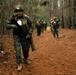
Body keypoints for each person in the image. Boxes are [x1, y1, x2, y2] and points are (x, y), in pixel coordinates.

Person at [6, 5, 34, 71]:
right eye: (17, 12)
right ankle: (19, 64)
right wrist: (11, 26)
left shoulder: (26, 18)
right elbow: (6, 25)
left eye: (20, 11)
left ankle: (25, 58)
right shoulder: (12, 18)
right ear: (15, 12)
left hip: (25, 36)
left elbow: (31, 26)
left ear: (22, 12)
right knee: (18, 50)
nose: (18, 13)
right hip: (17, 36)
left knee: (26, 50)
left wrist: (29, 34)